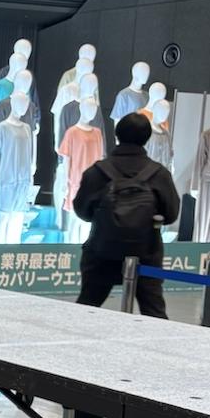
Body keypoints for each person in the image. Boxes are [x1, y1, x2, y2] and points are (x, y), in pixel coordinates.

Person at [74, 112, 180, 318]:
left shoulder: (97, 172)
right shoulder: (159, 174)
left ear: (117, 134)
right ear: (147, 138)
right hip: (146, 255)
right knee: (154, 314)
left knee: (85, 308)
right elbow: (171, 214)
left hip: (101, 253)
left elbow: (82, 211)